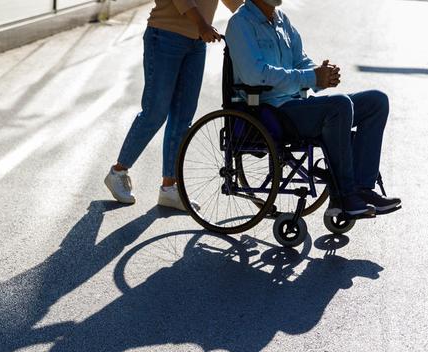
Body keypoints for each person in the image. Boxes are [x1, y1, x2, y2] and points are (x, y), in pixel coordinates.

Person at [225, 0, 401, 219]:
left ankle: (363, 189)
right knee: (339, 106)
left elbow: (301, 62)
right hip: (269, 110)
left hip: (296, 104)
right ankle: (345, 195)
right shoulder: (240, 23)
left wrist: (321, 75)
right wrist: (310, 77)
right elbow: (255, 74)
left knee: (377, 101)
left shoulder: (281, 20)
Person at [104, 0, 241, 210]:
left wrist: (261, 10)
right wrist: (202, 25)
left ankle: (169, 188)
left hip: (196, 42)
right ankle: (118, 172)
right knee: (155, 112)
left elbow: (235, 3)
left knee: (183, 116)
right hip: (165, 35)